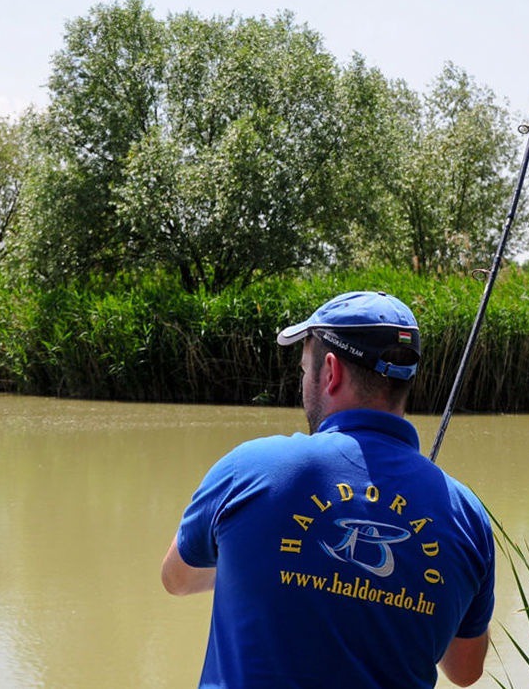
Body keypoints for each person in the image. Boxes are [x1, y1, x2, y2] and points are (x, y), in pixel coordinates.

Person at [161, 290, 495, 688]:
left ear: (331, 372)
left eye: (305, 371)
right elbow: (466, 671)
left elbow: (176, 579)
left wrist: (251, 565)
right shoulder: (466, 516)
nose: (304, 382)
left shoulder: (248, 469)